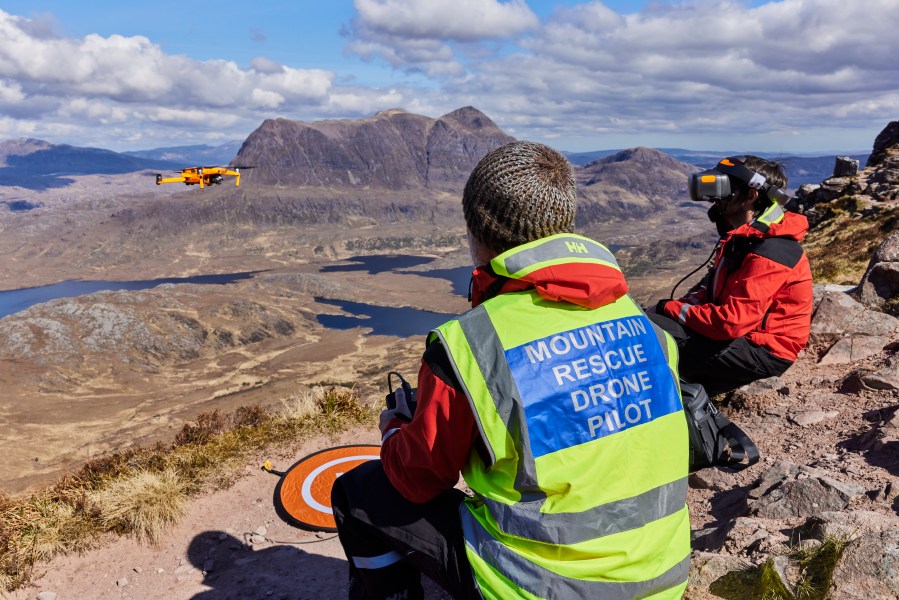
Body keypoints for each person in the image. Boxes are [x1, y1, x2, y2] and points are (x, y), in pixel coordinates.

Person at [331, 141, 691, 600]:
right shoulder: (647, 328)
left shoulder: (472, 346)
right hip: (663, 577)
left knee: (358, 491)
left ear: (479, 231)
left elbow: (418, 479)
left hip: (543, 588)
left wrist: (395, 429)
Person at [651, 155, 813, 396]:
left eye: (724, 187)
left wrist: (669, 309)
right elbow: (715, 298)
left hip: (764, 352)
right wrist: (666, 308)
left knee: (652, 337)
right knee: (649, 322)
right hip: (744, 338)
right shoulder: (744, 239)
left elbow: (730, 323)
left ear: (751, 195)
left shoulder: (772, 251)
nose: (716, 197)